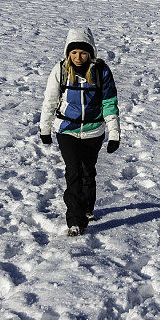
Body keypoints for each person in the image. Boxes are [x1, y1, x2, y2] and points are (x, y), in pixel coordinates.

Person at [39, 27, 120, 236]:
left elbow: (109, 103)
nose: (78, 57)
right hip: (67, 130)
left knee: (88, 171)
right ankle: (75, 220)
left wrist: (114, 133)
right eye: (73, 53)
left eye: (82, 53)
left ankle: (86, 208)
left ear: (91, 52)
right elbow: (50, 101)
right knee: (73, 172)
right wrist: (45, 129)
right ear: (68, 52)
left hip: (94, 131)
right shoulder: (61, 70)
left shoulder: (101, 72)